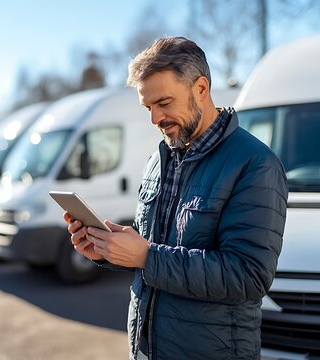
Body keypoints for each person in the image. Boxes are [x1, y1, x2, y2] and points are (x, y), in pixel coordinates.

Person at [63, 36, 288, 359]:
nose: (155, 119)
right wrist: (107, 250)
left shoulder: (255, 164)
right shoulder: (161, 158)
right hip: (146, 349)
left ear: (201, 89)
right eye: (148, 107)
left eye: (164, 103)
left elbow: (248, 275)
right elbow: (157, 245)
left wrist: (146, 256)